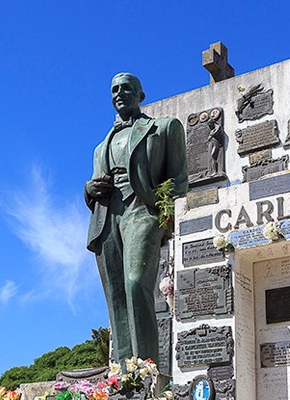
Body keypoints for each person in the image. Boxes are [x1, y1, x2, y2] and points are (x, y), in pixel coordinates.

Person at [85, 73, 188, 365]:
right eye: (114, 90)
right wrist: (88, 189)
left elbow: (180, 178)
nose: (119, 93)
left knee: (135, 283)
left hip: (143, 210)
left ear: (141, 95)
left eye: (126, 88)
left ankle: (145, 370)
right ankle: (123, 372)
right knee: (115, 296)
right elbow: (94, 185)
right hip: (107, 217)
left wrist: (165, 216)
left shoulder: (164, 128)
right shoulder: (99, 147)